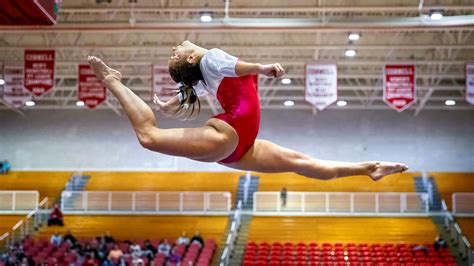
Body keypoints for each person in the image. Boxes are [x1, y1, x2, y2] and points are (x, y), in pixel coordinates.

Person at [87, 41, 407, 181]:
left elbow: (196, 89)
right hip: (232, 135)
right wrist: (263, 68)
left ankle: (369, 168)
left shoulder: (208, 76)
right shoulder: (210, 58)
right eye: (175, 55)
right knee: (149, 136)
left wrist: (173, 101)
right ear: (189, 59)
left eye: (172, 53)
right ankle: (112, 81)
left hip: (241, 145)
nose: (175, 49)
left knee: (303, 163)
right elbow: (237, 67)